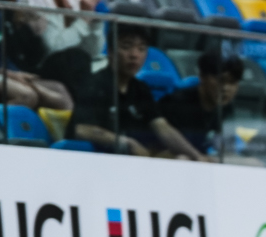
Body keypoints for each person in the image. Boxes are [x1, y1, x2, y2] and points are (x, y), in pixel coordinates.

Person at [68, 25, 203, 159]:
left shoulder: (141, 88)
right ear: (110, 51)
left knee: (182, 159)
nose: (134, 55)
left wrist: (198, 157)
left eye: (141, 49)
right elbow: (81, 129)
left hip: (135, 160)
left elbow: (162, 127)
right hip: (97, 159)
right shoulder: (94, 83)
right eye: (126, 47)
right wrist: (125, 142)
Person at [156, 50, 243, 156]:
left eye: (232, 82)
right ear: (202, 76)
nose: (225, 88)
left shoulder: (226, 108)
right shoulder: (176, 103)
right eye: (221, 80)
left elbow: (225, 147)